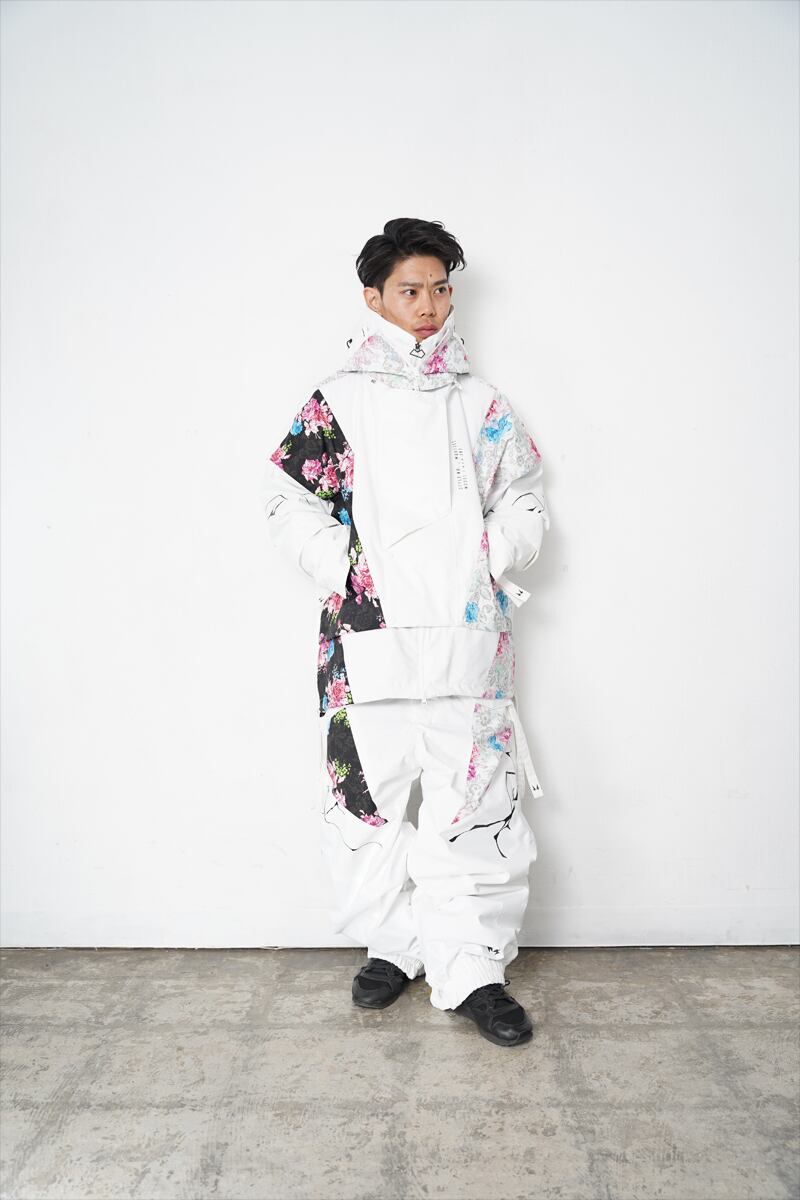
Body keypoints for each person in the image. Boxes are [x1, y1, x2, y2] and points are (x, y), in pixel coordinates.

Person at [260, 217, 550, 1047]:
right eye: (410, 290)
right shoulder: (338, 401)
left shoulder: (480, 403)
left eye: (440, 288)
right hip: (364, 646)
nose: (429, 305)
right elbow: (290, 502)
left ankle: (473, 969)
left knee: (475, 805)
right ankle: (393, 946)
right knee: (364, 808)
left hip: (468, 642)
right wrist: (348, 569)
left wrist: (488, 557)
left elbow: (523, 496)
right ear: (374, 298)